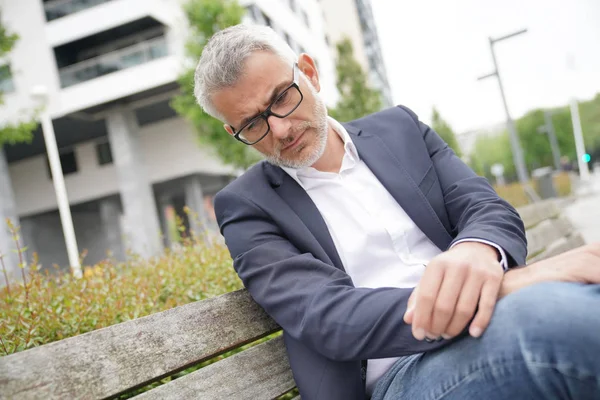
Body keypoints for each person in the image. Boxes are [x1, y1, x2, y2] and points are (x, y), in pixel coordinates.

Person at [193, 24, 600, 399]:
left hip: (501, 322)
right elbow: (331, 319)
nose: (280, 129)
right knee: (558, 325)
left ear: (310, 73)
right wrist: (504, 287)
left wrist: (478, 249)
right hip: (400, 375)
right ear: (235, 133)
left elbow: (483, 205)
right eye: (253, 124)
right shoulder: (246, 207)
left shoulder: (400, 128)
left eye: (281, 97)